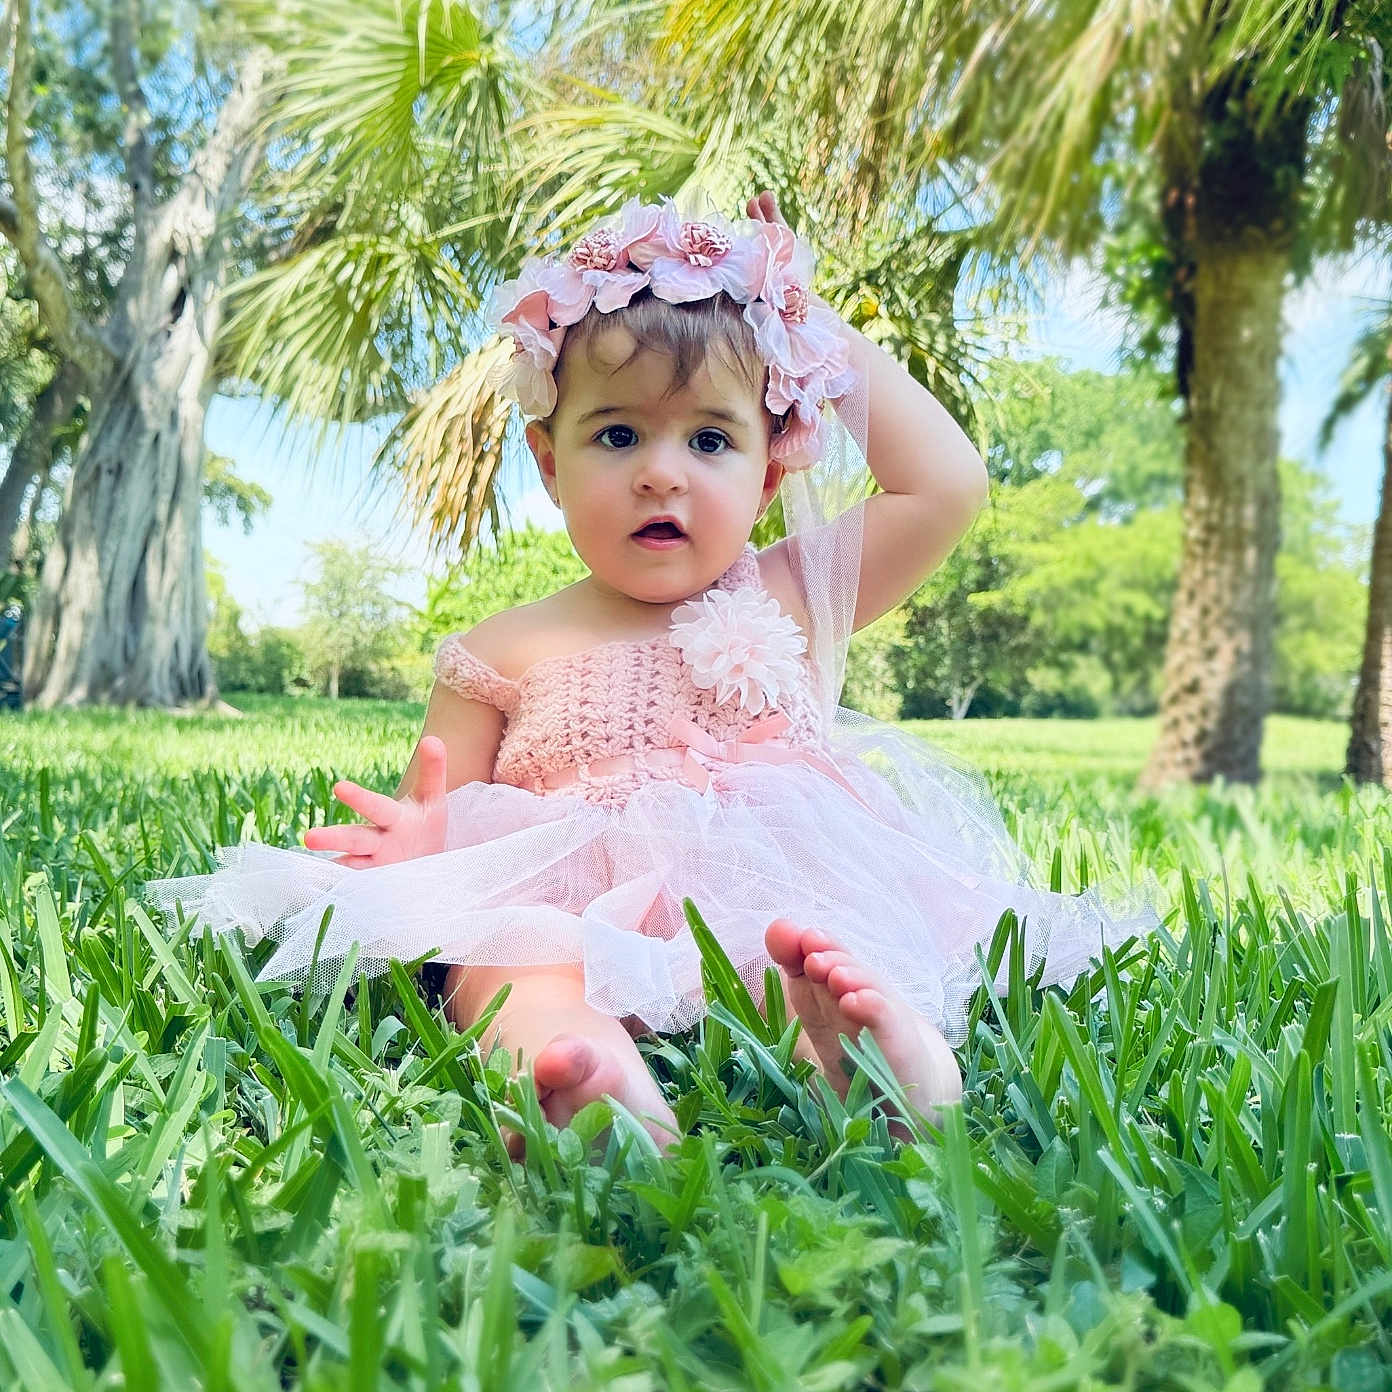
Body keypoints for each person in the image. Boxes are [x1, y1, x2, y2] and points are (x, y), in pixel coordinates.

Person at [146, 188, 1160, 1156]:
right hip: (565, 894)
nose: (661, 471)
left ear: (769, 474)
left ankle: (877, 1059)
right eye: (618, 434)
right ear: (548, 463)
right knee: (507, 957)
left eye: (710, 439)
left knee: (811, 952)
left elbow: (945, 484)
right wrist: (420, 845)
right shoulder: (497, 649)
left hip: (764, 874)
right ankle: (577, 1073)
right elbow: (441, 796)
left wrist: (814, 324)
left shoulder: (788, 593)